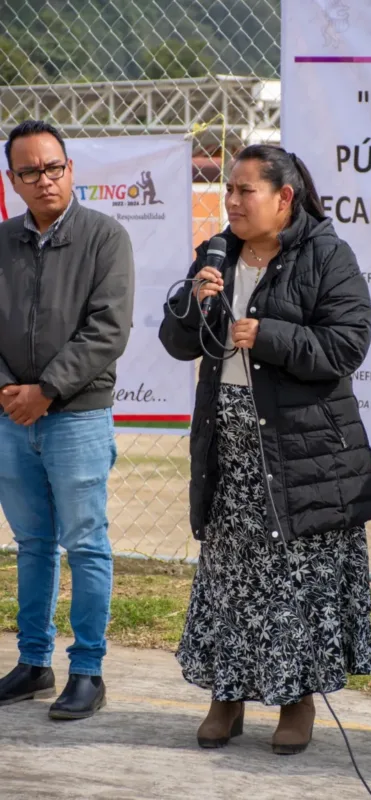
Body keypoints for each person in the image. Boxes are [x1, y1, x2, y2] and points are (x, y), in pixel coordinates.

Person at [159, 144, 371, 755]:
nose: (231, 201)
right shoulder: (217, 254)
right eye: (228, 190)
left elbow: (347, 344)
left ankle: (297, 700)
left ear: (284, 198)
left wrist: (272, 337)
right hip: (227, 442)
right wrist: (192, 302)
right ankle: (225, 695)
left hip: (298, 450)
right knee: (230, 577)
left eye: (245, 191)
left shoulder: (326, 254)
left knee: (294, 581)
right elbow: (180, 342)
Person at [0, 120, 134, 719]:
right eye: (30, 171)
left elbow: (108, 330)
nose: (44, 180)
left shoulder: (105, 238)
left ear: (71, 170)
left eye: (54, 168)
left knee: (85, 544)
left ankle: (88, 670)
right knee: (32, 545)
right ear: (13, 180)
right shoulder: (2, 241)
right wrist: (10, 392)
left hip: (76, 416)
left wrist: (47, 391)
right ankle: (33, 664)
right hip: (10, 417)